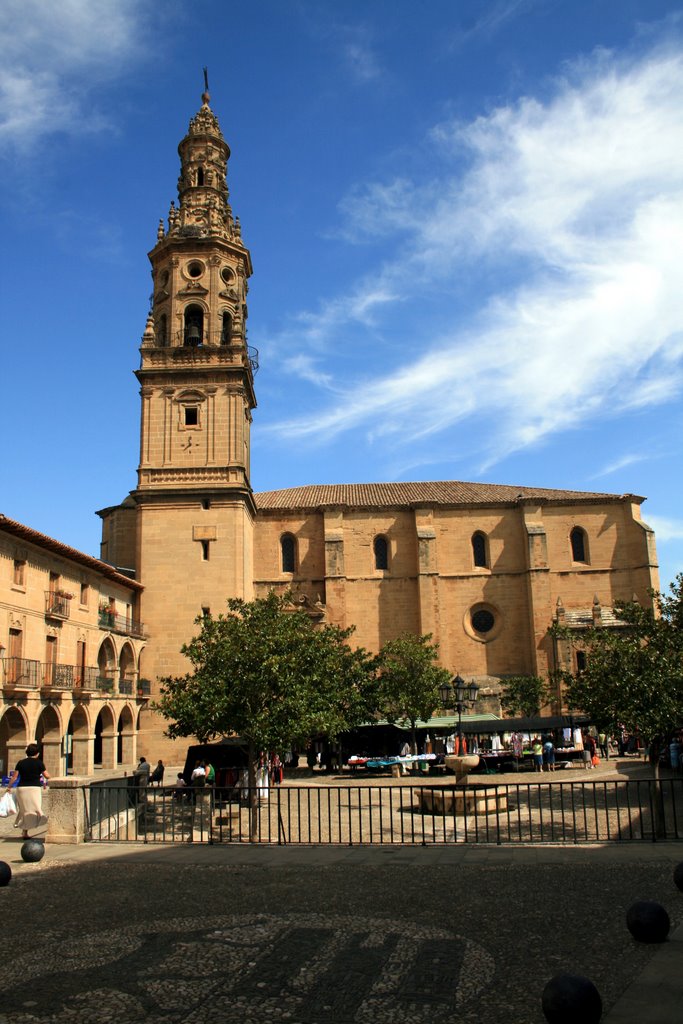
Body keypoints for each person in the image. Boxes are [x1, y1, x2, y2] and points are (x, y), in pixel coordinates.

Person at [4, 742, 50, 840]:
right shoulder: (39, 763)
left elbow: (14, 777)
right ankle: (42, 819)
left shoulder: (21, 762)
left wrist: (9, 787)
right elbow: (47, 776)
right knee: (36, 808)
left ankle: (25, 832)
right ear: (37, 753)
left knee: (24, 809)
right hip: (34, 789)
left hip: (22, 789)